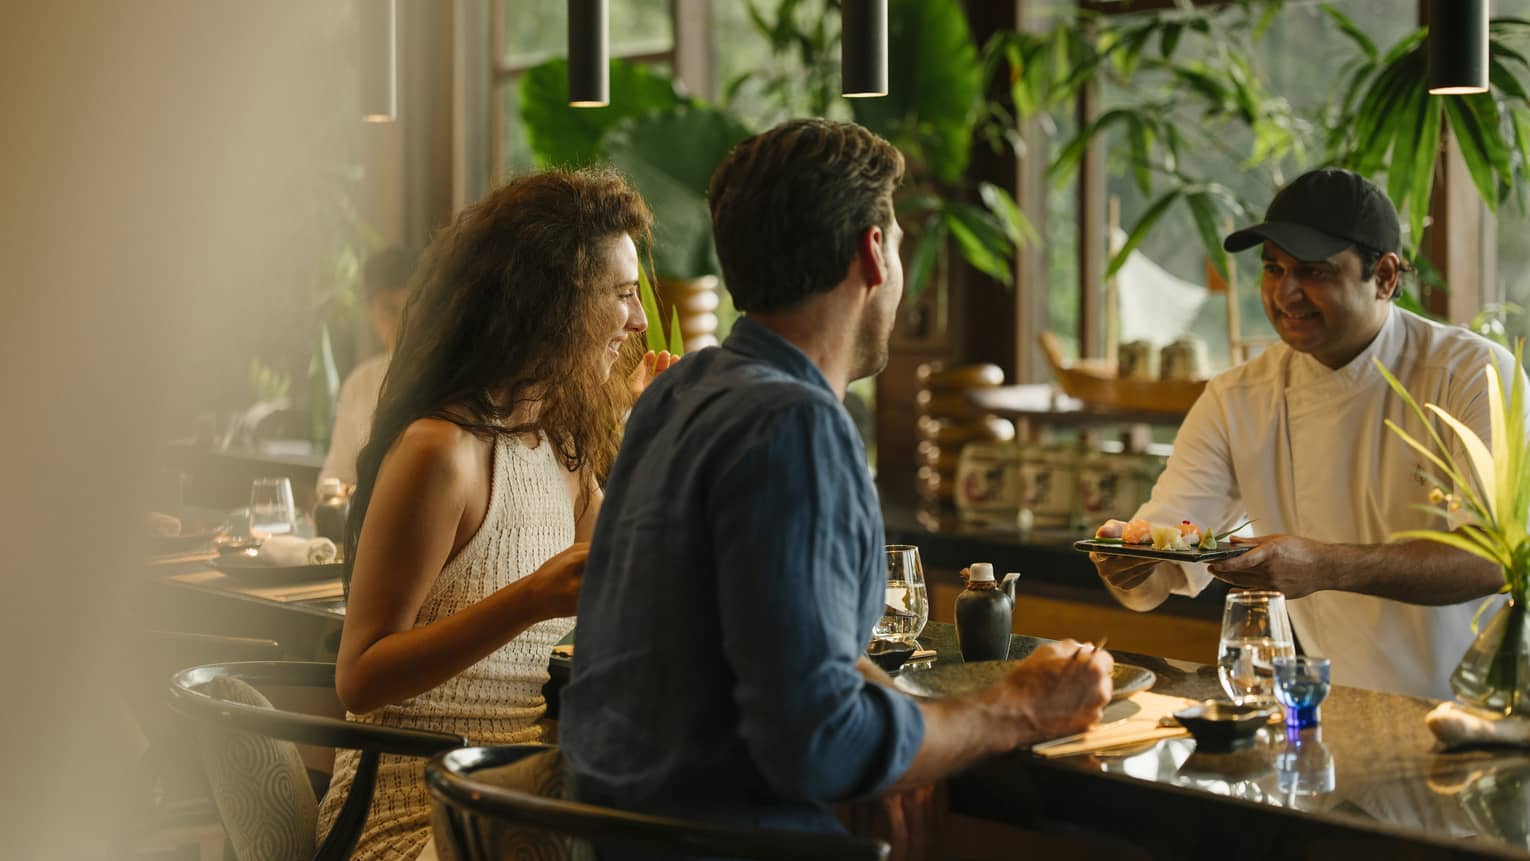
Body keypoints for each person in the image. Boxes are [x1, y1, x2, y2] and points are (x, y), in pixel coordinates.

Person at [561, 119, 1114, 839]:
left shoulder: (681, 390)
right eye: (902, 245)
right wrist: (1023, 705)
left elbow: (761, 634)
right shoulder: (794, 424)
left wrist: (903, 733)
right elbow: (818, 745)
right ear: (873, 252)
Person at [316, 169, 673, 861]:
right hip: (413, 817)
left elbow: (615, 581)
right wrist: (529, 599)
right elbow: (359, 674)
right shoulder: (441, 452)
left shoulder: (559, 443)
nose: (637, 320)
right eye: (624, 295)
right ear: (552, 302)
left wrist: (647, 434)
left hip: (514, 803)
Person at [1092, 168, 1518, 700]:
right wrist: (1126, 561)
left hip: (1477, 714)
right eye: (1273, 268)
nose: (1286, 292)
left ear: (1384, 276)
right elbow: (1162, 565)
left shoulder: (1469, 374)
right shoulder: (1237, 397)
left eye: (1314, 272)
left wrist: (1325, 566)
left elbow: (1492, 559)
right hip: (1332, 712)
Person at [319, 245, 418, 488]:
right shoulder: (360, 383)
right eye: (390, 310)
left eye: (412, 308)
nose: (402, 322)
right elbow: (337, 476)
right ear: (371, 313)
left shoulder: (451, 380)